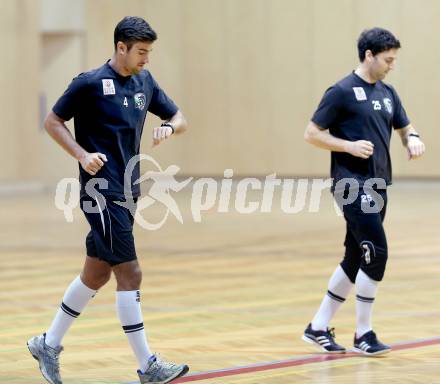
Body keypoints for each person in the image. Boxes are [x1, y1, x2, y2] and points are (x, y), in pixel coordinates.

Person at [27, 16, 189, 384]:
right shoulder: (89, 83)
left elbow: (179, 116)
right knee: (130, 272)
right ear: (121, 48)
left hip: (130, 190)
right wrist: (82, 155)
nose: (147, 59)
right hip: (100, 192)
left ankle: (47, 344)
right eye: (142, 52)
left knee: (96, 272)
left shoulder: (145, 81)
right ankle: (147, 365)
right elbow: (52, 121)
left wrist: (169, 126)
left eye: (149, 52)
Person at [302, 27, 425, 356]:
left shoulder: (388, 92)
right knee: (377, 252)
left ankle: (316, 327)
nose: (391, 65)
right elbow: (311, 133)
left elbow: (404, 125)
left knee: (355, 256)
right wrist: (347, 146)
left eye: (394, 60)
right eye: (387, 59)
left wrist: (412, 137)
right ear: (369, 55)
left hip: (379, 183)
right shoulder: (341, 91)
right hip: (350, 183)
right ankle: (363, 333)